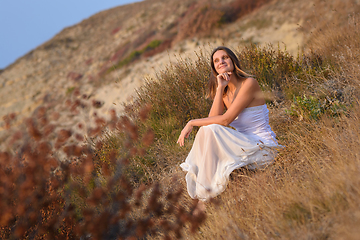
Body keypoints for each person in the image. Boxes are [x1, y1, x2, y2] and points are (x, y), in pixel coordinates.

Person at [177, 46, 282, 202]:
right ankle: (206, 193)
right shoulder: (224, 92)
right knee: (207, 130)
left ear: (233, 60)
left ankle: (204, 196)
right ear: (214, 68)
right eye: (216, 61)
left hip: (263, 148)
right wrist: (220, 88)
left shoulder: (249, 83)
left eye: (225, 57)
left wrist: (192, 122)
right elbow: (212, 122)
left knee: (210, 129)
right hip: (244, 147)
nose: (221, 62)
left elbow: (225, 120)